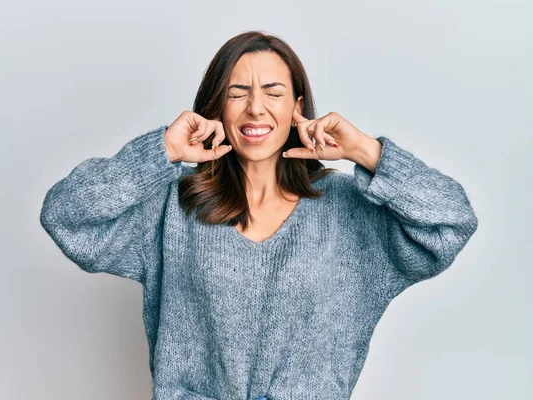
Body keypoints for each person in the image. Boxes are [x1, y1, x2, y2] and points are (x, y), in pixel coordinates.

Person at [39, 31, 478, 400]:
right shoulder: (173, 207)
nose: (255, 107)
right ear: (216, 107)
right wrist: (163, 151)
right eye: (237, 92)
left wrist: (366, 151)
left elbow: (451, 221)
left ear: (297, 107)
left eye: (273, 92)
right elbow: (65, 215)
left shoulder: (349, 212)